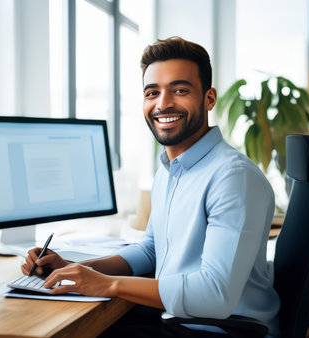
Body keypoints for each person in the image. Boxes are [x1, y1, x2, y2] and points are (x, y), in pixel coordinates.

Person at [21, 36, 281, 337]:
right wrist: (76, 268)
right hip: (182, 319)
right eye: (152, 92)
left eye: (180, 90)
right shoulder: (170, 170)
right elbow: (151, 250)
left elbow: (215, 296)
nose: (163, 103)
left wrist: (106, 284)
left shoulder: (233, 177)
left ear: (209, 99)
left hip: (222, 329)